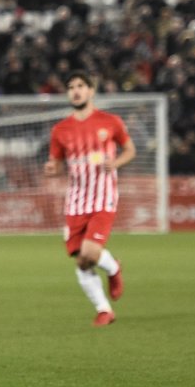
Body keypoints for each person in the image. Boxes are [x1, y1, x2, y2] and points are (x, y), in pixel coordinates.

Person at [44, 71, 135, 326]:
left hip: (103, 198)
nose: (75, 90)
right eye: (71, 87)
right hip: (75, 201)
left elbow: (130, 150)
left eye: (80, 86)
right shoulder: (60, 130)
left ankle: (113, 269)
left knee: (91, 254)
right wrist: (52, 169)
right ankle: (104, 309)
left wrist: (115, 163)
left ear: (91, 91)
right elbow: (57, 163)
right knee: (82, 260)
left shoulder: (110, 121)